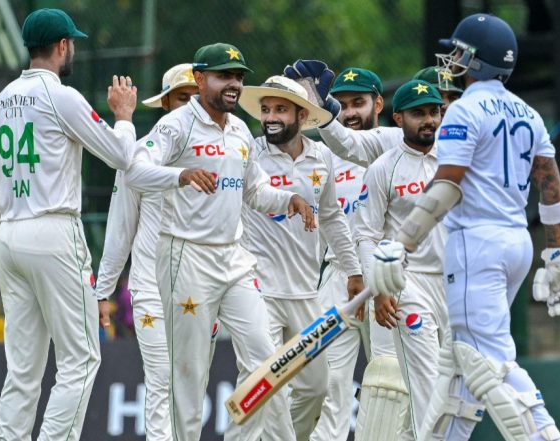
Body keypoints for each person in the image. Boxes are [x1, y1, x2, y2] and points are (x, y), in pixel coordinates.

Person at [369, 14, 560, 441]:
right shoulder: (529, 113)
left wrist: (399, 243)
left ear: (478, 61)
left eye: (460, 52)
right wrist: (556, 254)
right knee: (457, 373)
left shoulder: (464, 109)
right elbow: (552, 190)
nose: (451, 59)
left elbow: (447, 186)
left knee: (486, 360)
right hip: (517, 242)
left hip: (476, 245)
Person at [126, 43, 316, 441]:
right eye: (224, 76)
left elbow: (256, 191)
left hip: (233, 258)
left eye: (238, 77)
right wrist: (179, 176)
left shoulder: (240, 130)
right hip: (185, 256)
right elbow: (135, 171)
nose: (233, 84)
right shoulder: (176, 125)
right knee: (190, 375)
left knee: (268, 359)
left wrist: (290, 200)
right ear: (199, 79)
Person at [0, 8, 137, 440]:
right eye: (73, 44)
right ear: (62, 46)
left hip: (9, 235)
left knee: (23, 369)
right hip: (53, 230)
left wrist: (6, 231)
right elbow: (121, 156)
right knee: (81, 359)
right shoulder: (61, 96)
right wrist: (123, 117)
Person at [237, 75, 364, 441]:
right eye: (265, 109)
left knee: (315, 387)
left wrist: (353, 269)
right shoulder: (250, 152)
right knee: (263, 385)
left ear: (301, 115)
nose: (271, 116)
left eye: (280, 109)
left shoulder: (321, 155)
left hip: (306, 292)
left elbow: (332, 217)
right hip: (258, 290)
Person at [95, 63, 199, 441]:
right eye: (183, 99)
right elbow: (120, 229)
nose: (192, 107)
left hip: (201, 285)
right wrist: (102, 292)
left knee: (190, 380)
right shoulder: (141, 154)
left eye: (197, 99)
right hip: (150, 285)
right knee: (160, 379)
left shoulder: (218, 151)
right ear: (167, 103)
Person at [355, 80, 456, 440]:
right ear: (398, 118)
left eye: (433, 112)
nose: (428, 121)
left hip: (456, 285)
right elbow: (366, 235)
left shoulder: (454, 159)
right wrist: (380, 289)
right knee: (427, 385)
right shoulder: (384, 168)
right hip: (408, 285)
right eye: (418, 114)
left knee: (452, 390)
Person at [308, 67, 382, 441]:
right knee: (326, 381)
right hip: (338, 276)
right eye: (344, 105)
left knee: (389, 385)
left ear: (378, 104)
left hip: (387, 280)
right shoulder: (323, 155)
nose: (351, 112)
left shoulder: (393, 147)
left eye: (359, 103)